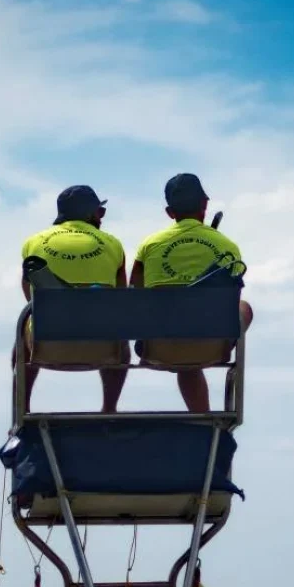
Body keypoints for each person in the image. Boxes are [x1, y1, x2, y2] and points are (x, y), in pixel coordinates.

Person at [130, 173, 254, 413]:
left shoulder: (150, 245)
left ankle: (200, 413)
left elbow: (135, 292)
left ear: (169, 212)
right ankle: (201, 417)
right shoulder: (228, 246)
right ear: (204, 205)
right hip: (212, 345)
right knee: (243, 308)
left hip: (158, 348)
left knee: (180, 331)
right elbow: (232, 300)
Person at [19, 185, 129, 413]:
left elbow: (28, 290)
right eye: (101, 212)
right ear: (91, 214)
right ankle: (109, 409)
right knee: (120, 334)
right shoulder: (113, 244)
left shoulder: (33, 243)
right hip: (103, 348)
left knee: (21, 338)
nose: (102, 218)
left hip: (46, 345)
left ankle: (23, 410)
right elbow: (122, 296)